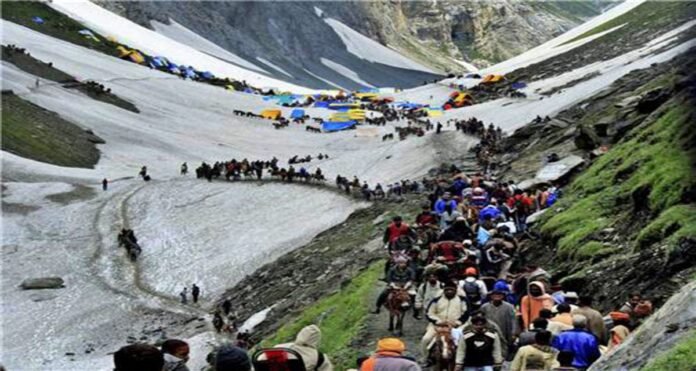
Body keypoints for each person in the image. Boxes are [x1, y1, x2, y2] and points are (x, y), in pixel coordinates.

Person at [421, 281, 468, 361]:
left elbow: (466, 313)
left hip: (457, 325)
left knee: (462, 340)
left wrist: (457, 323)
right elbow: (430, 313)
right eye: (447, 290)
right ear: (444, 290)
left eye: (451, 290)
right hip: (437, 325)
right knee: (426, 339)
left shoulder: (462, 300)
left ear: (455, 290)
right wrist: (438, 321)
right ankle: (425, 358)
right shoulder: (436, 300)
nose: (449, 291)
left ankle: (462, 360)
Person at [480, 289, 516, 358]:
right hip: (490, 332)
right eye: (495, 295)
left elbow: (513, 320)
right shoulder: (485, 307)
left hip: (505, 332)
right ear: (491, 296)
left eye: (499, 295)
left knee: (504, 351)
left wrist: (513, 333)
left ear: (503, 296)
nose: (497, 296)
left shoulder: (509, 307)